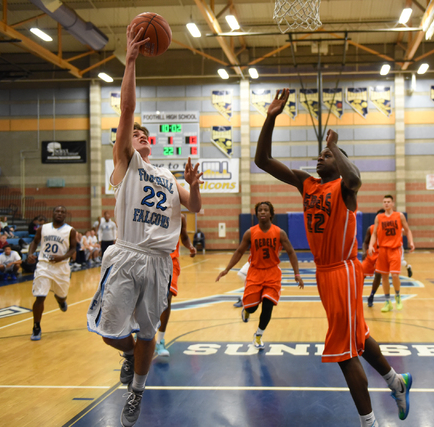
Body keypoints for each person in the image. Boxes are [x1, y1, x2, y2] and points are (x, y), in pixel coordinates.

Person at [255, 89, 413, 427]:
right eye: (320, 155)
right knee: (356, 337)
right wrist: (270, 118)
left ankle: (369, 422)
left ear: (338, 163)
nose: (319, 158)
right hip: (327, 273)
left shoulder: (345, 189)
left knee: (344, 353)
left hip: (343, 270)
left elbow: (354, 177)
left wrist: (336, 147)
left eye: (326, 156)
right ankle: (396, 382)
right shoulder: (307, 184)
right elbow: (263, 161)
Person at [85, 23, 203, 427]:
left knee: (151, 334)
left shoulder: (169, 177)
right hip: (127, 254)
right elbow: (127, 109)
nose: (138, 136)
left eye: (143, 136)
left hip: (158, 261)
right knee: (109, 332)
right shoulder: (126, 165)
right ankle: (126, 352)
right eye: (133, 135)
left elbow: (197, 208)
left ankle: (136, 390)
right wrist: (131, 60)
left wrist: (191, 186)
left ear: (152, 144)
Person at [217, 201, 304, 349]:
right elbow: (239, 252)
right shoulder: (250, 233)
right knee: (252, 308)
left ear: (271, 214)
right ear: (256, 214)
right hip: (255, 272)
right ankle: (247, 309)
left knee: (268, 305)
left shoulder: (279, 232)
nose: (263, 212)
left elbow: (291, 252)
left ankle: (258, 335)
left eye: (266, 210)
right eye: (260, 210)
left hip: (272, 273)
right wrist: (227, 269)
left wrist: (297, 273)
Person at [27, 206, 77, 341]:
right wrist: (30, 254)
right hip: (44, 265)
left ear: (65, 215)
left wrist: (61, 257)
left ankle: (60, 300)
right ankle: (36, 327)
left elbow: (73, 248)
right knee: (40, 296)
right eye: (57, 211)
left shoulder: (70, 230)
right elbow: (35, 242)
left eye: (62, 212)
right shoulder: (43, 228)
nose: (59, 213)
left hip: (61, 268)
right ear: (53, 213)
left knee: (62, 296)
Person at [155, 214, 196, 358]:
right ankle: (140, 334)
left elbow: (184, 236)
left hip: (171, 261)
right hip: (151, 259)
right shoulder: (150, 210)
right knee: (145, 300)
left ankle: (160, 341)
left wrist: (190, 246)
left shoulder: (180, 217)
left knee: (167, 299)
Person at [368, 195, 415, 312]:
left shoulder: (399, 216)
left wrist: (411, 242)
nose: (386, 204)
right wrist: (370, 245)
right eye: (384, 202)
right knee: (384, 277)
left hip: (395, 249)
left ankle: (397, 296)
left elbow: (407, 230)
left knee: (394, 275)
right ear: (383, 204)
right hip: (383, 250)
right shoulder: (379, 217)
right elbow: (374, 234)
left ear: (392, 203)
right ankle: (387, 301)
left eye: (388, 202)